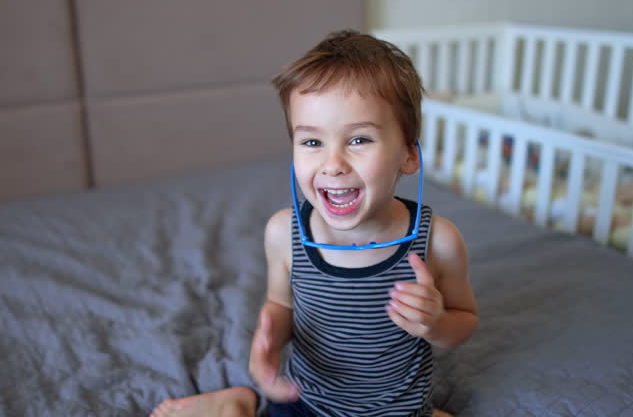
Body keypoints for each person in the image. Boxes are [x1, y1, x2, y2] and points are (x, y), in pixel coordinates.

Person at [151, 30, 478, 417]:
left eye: (359, 140)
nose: (333, 164)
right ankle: (238, 402)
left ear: (408, 155)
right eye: (311, 143)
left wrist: (436, 323)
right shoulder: (284, 234)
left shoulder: (438, 241)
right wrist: (268, 341)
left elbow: (464, 321)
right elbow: (281, 305)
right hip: (308, 401)